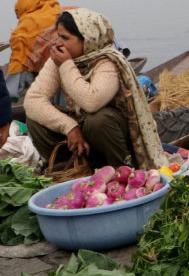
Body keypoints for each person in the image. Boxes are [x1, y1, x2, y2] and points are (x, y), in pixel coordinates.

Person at [24, 9, 168, 170]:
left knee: (98, 119)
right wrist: (69, 126)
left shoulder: (107, 61)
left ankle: (122, 169)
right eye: (58, 36)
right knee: (34, 120)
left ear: (86, 40)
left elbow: (91, 101)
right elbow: (32, 100)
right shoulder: (59, 58)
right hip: (81, 136)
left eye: (64, 37)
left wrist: (66, 65)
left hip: (113, 135)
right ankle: (68, 169)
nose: (57, 43)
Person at [7, 0, 62, 99]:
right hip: (69, 67)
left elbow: (19, 60)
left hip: (42, 74)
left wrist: (11, 92)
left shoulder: (27, 24)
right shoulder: (60, 13)